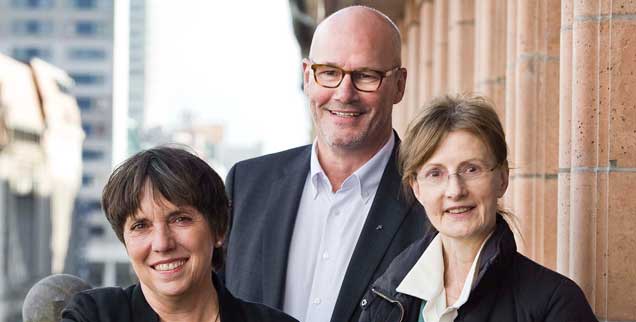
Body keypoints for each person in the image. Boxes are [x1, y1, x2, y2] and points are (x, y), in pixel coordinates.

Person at [223, 5, 429, 322]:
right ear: (308, 76)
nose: (344, 94)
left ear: (398, 85)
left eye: (365, 76)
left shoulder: (430, 203)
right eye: (329, 73)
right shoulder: (247, 186)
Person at [358, 94, 598, 322]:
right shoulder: (385, 296)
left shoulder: (556, 304)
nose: (455, 190)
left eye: (471, 169)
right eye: (435, 173)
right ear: (417, 189)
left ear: (502, 178)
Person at [61, 147, 298, 322]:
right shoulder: (94, 316)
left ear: (219, 229)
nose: (162, 243)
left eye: (180, 219)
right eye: (141, 226)